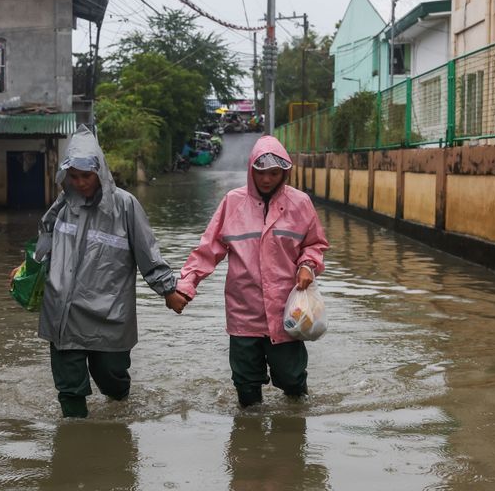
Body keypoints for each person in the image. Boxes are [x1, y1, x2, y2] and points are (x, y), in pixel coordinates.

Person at [27, 126, 188, 418]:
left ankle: (120, 408)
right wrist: (28, 267)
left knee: (112, 379)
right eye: (73, 177)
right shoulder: (62, 205)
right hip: (63, 311)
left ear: (100, 172)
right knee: (70, 388)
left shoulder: (125, 206)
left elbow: (147, 252)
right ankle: (74, 446)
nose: (80, 183)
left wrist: (168, 289)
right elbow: (45, 239)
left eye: (86, 176)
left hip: (108, 312)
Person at [174, 135, 329, 407]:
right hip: (244, 313)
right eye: (261, 173)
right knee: (246, 388)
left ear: (284, 173)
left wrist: (307, 265)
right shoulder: (233, 203)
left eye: (274, 173)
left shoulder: (300, 203)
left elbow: (315, 244)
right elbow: (208, 250)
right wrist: (186, 285)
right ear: (251, 171)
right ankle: (248, 444)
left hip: (286, 313)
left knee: (293, 381)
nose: (267, 180)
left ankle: (292, 439)